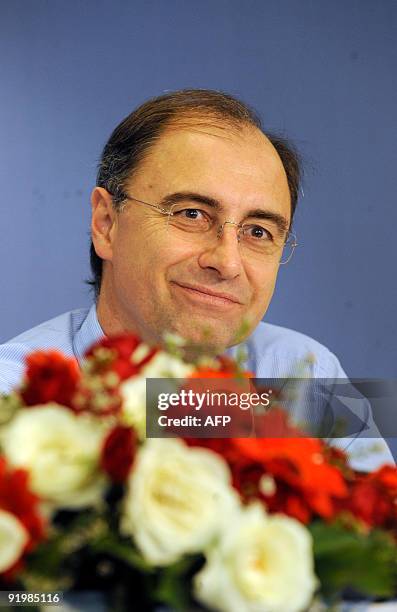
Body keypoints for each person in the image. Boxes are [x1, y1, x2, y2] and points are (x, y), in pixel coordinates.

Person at [0, 89, 393, 468]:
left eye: (257, 231)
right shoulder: (13, 399)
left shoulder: (304, 376)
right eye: (191, 214)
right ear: (106, 223)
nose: (227, 262)